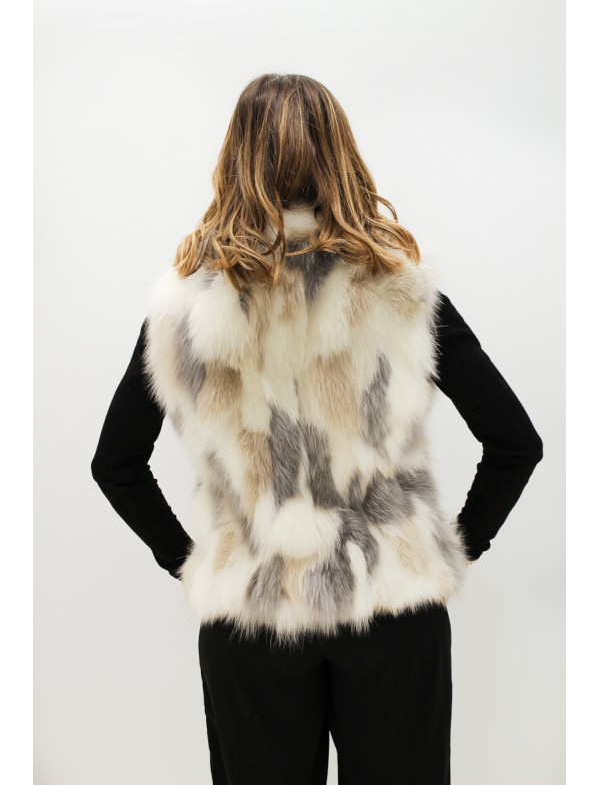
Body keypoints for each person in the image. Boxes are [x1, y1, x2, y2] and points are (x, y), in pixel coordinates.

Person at [91, 73, 543, 785]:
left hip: (253, 614)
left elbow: (115, 463)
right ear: (341, 155)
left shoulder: (186, 308)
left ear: (234, 158)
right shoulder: (401, 290)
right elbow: (516, 443)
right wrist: (453, 549)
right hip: (390, 607)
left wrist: (193, 560)